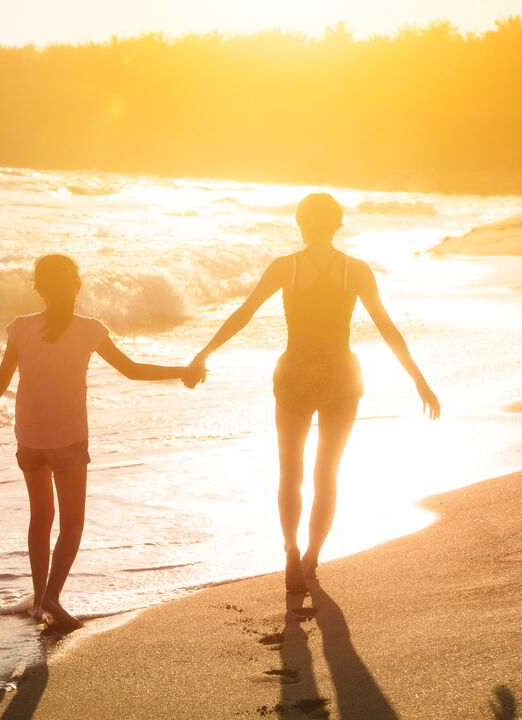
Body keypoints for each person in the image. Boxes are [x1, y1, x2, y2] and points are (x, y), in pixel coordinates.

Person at [188, 193, 441, 594]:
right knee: (327, 474)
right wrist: (418, 380)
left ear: (300, 224)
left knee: (291, 472)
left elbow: (244, 313)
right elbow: (387, 327)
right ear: (337, 225)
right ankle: (311, 558)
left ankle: (290, 549)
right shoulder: (354, 270)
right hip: (340, 376)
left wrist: (203, 353)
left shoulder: (286, 267)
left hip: (296, 374)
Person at [0, 254, 203, 634]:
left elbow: (0, 381)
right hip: (68, 438)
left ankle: (41, 602)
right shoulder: (89, 330)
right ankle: (52, 597)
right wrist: (183, 371)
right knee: (72, 523)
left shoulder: (21, 328)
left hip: (30, 439)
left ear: (37, 288)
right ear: (76, 286)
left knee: (40, 519)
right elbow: (132, 370)